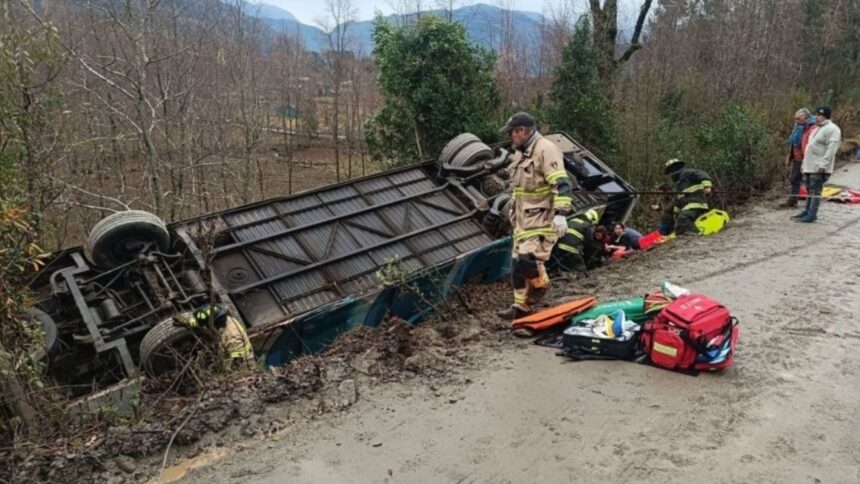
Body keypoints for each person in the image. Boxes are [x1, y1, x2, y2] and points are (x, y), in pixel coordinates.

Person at [496, 112, 575, 320]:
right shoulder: (520, 153)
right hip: (522, 220)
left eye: (512, 132)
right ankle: (520, 306)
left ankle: (541, 286)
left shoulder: (546, 149)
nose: (510, 136)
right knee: (516, 265)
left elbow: (562, 184)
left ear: (523, 130)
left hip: (542, 218)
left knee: (528, 260)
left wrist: (561, 214)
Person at [794, 106, 842, 223]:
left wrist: (823, 164)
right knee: (809, 189)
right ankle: (807, 211)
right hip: (810, 166)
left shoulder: (832, 129)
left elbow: (831, 149)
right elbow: (809, 148)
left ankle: (812, 214)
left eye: (819, 115)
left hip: (819, 166)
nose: (817, 117)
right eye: (816, 115)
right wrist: (804, 164)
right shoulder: (817, 128)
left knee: (815, 191)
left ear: (825, 116)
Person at [779, 109, 818, 208]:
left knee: (810, 182)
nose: (796, 121)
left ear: (805, 118)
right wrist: (790, 157)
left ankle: (811, 204)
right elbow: (794, 144)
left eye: (798, 119)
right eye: (795, 119)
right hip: (797, 157)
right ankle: (793, 201)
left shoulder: (814, 128)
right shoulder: (798, 127)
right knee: (794, 179)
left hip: (808, 159)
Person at [663, 159, 713, 235]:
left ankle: (696, 233)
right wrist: (675, 214)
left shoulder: (687, 172)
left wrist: (707, 186)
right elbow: (678, 200)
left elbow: (702, 174)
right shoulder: (677, 185)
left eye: (671, 171)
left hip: (697, 204)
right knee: (678, 224)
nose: (670, 174)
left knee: (683, 218)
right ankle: (682, 235)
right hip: (687, 207)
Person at [552, 208, 600, 274]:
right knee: (581, 269)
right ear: (592, 219)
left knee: (563, 266)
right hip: (572, 250)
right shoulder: (586, 225)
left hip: (560, 248)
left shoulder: (571, 220)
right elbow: (589, 241)